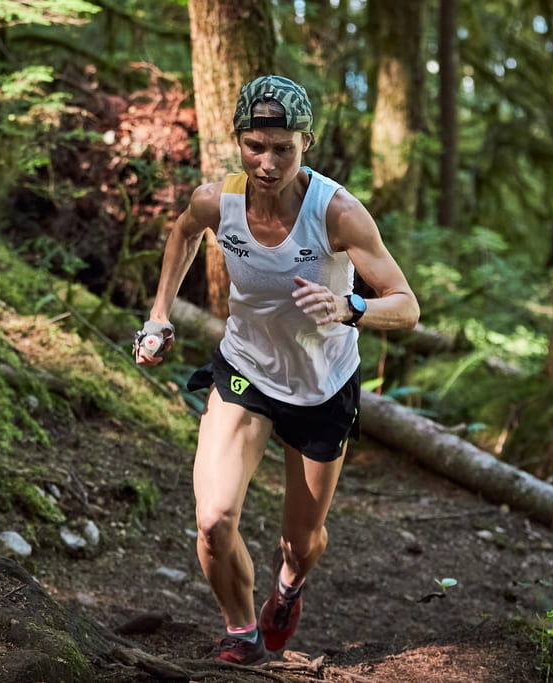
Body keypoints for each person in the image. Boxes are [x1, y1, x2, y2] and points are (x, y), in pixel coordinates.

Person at [135, 75, 419, 665]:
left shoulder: (338, 213)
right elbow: (184, 234)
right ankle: (242, 633)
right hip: (245, 371)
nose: (267, 163)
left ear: (306, 142)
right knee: (213, 520)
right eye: (254, 146)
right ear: (238, 140)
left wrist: (350, 306)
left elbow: (406, 305)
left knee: (302, 541)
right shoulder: (218, 200)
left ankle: (289, 586)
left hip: (322, 388)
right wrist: (159, 313)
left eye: (282, 148)